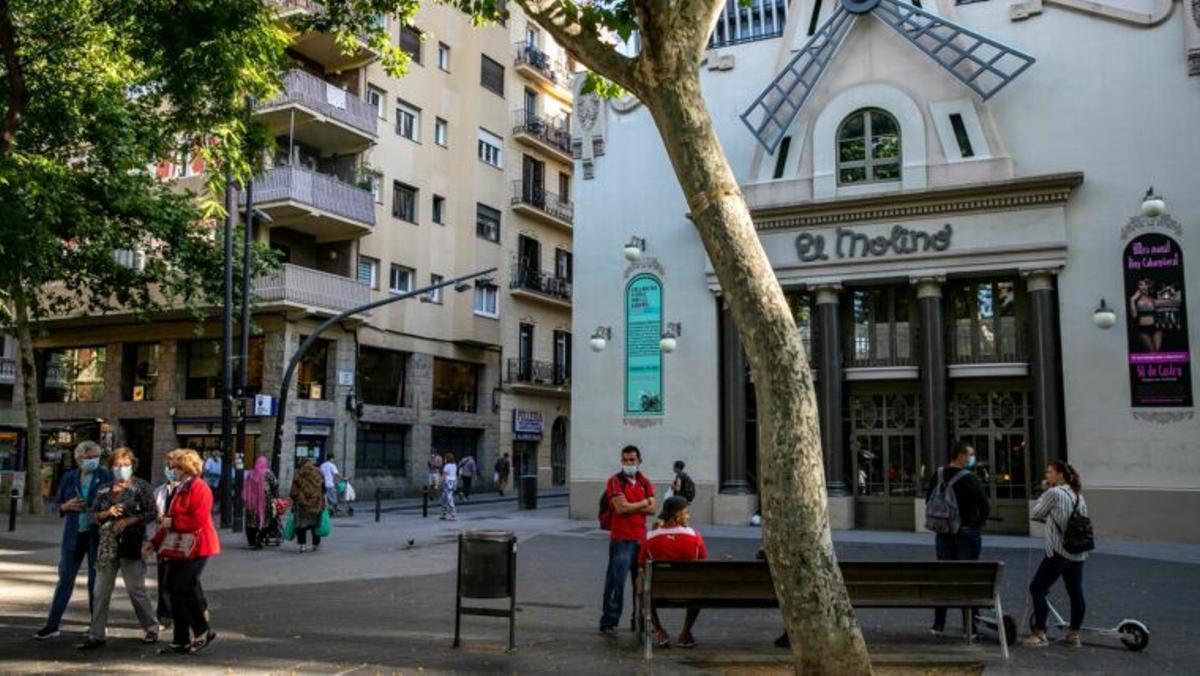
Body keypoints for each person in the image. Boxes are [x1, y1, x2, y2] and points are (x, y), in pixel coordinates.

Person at [79, 448, 158, 649]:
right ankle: (96, 634)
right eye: (117, 465)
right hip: (107, 545)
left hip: (132, 543)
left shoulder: (141, 487)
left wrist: (130, 520)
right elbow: (93, 514)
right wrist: (107, 513)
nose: (121, 469)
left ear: (132, 465)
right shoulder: (104, 489)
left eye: (125, 465)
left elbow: (151, 512)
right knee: (101, 591)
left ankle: (151, 628)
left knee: (136, 589)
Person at [34, 441, 111, 640]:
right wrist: (65, 506)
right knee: (65, 579)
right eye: (88, 457)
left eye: (95, 456)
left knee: (96, 582)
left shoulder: (106, 476)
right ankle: (52, 625)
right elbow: (56, 504)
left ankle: (97, 625)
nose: (92, 460)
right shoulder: (69, 477)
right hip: (73, 535)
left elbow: (114, 502)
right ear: (78, 459)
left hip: (96, 534)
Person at [146, 449, 219, 654]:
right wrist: (155, 541)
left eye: (174, 466)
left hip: (199, 545)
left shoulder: (199, 488)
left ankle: (202, 630)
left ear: (184, 467)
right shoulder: (182, 488)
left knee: (183, 587)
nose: (171, 470)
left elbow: (198, 519)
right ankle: (180, 639)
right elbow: (169, 520)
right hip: (183, 546)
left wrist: (173, 522)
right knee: (173, 589)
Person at [1023, 462, 1089, 649]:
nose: (1046, 475)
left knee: (1037, 588)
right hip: (1078, 552)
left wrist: (1045, 491)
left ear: (1060, 475)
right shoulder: (1078, 494)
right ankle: (1074, 634)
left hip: (1058, 552)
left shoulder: (1054, 493)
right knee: (1075, 592)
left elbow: (1036, 513)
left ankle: (1039, 634)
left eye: (1049, 472)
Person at [926, 441, 990, 637]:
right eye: (970, 455)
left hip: (943, 532)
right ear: (961, 455)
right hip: (966, 532)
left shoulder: (937, 475)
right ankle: (969, 628)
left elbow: (929, 498)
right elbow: (984, 506)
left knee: (945, 577)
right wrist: (976, 524)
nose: (972, 459)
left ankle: (938, 625)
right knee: (967, 578)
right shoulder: (970, 479)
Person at [599, 445, 655, 638]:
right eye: (625, 460)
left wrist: (633, 506)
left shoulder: (644, 482)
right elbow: (620, 509)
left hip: (640, 539)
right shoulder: (615, 482)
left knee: (639, 583)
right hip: (621, 539)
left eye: (632, 460)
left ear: (639, 460)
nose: (629, 463)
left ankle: (637, 618)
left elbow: (653, 509)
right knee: (616, 582)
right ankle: (609, 621)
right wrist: (643, 504)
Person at [637, 496, 707, 648]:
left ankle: (659, 630)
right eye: (686, 513)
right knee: (698, 584)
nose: (689, 516)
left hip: (657, 592)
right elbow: (703, 560)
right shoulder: (695, 536)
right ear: (677, 516)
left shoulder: (650, 537)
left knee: (645, 584)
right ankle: (685, 633)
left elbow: (641, 564)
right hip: (690, 592)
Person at [290, 460, 326, 553]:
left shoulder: (299, 473)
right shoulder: (319, 472)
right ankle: (315, 544)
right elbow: (323, 488)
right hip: (316, 502)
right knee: (314, 524)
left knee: (301, 525)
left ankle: (302, 545)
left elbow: (294, 491)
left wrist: (295, 499)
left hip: (302, 503)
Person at [242, 457, 278, 549]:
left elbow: (245, 486)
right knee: (264, 521)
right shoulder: (268, 473)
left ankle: (251, 542)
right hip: (264, 501)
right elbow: (275, 484)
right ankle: (259, 540)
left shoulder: (250, 473)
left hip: (251, 501)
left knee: (251, 522)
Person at [441, 452, 459, 521]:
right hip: (453, 482)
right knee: (445, 497)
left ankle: (453, 514)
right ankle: (444, 513)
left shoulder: (447, 466)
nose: (444, 459)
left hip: (448, 483)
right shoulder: (454, 465)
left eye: (445, 458)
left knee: (448, 498)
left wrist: (439, 482)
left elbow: (444, 475)